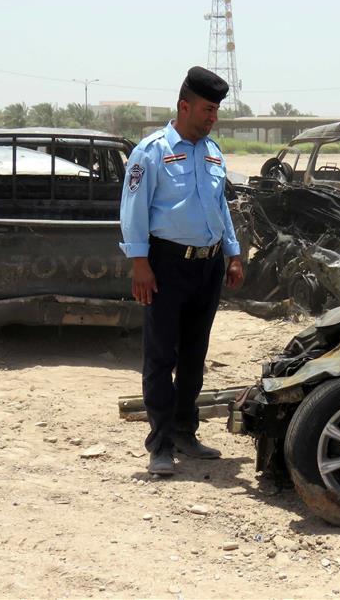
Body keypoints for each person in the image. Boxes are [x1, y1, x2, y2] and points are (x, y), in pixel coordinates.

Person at [119, 66, 244, 476]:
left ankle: (186, 433)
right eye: (207, 110)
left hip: (207, 266)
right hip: (166, 265)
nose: (213, 118)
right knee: (161, 354)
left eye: (216, 112)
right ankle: (160, 444)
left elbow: (220, 205)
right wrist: (140, 263)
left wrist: (233, 252)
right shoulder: (150, 151)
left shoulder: (212, 152)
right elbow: (133, 209)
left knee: (195, 354)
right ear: (184, 106)